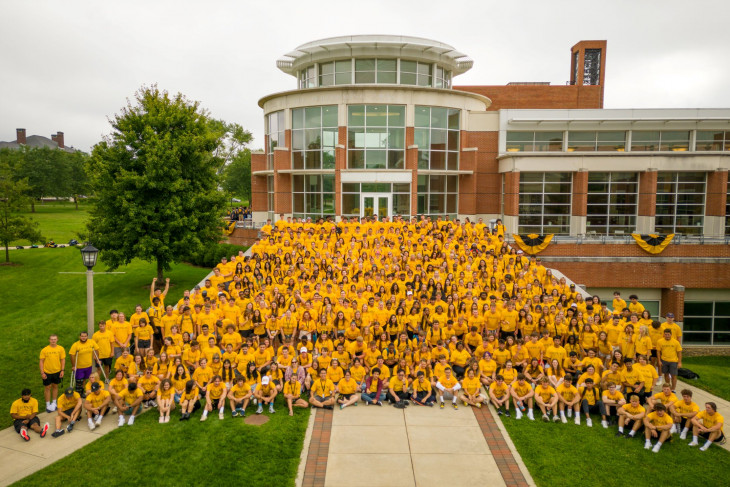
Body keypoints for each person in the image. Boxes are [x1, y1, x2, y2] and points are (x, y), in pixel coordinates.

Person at [39, 334, 66, 412]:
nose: (53, 341)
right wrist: (42, 373)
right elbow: (41, 361)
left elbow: (62, 360)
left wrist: (62, 370)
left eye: (54, 339)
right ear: (49, 340)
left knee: (55, 386)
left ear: (57, 340)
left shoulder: (61, 349)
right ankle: (48, 405)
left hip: (57, 371)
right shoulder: (44, 350)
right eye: (51, 339)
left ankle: (54, 403)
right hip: (47, 372)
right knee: (47, 388)